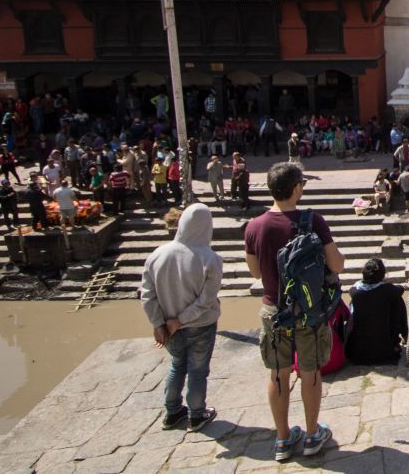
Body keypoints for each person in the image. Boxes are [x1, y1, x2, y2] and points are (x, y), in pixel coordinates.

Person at [243, 162, 344, 462]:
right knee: (310, 371)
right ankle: (312, 435)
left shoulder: (254, 226)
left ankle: (283, 439)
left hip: (274, 310)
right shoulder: (313, 221)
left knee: (278, 373)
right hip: (309, 312)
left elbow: (255, 273)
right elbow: (337, 265)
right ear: (297, 188)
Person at [139, 202, 223, 432]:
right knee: (198, 369)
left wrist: (158, 324)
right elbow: (206, 300)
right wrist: (181, 319)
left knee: (177, 365)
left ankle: (172, 411)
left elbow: (147, 295)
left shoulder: (158, 254)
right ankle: (196, 414)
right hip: (200, 325)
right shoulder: (210, 259)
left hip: (168, 326)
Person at [345, 258, 408, 365]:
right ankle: (405, 335)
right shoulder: (387, 290)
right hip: (384, 351)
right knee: (398, 299)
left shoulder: (354, 291)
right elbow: (400, 289)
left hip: (358, 353)